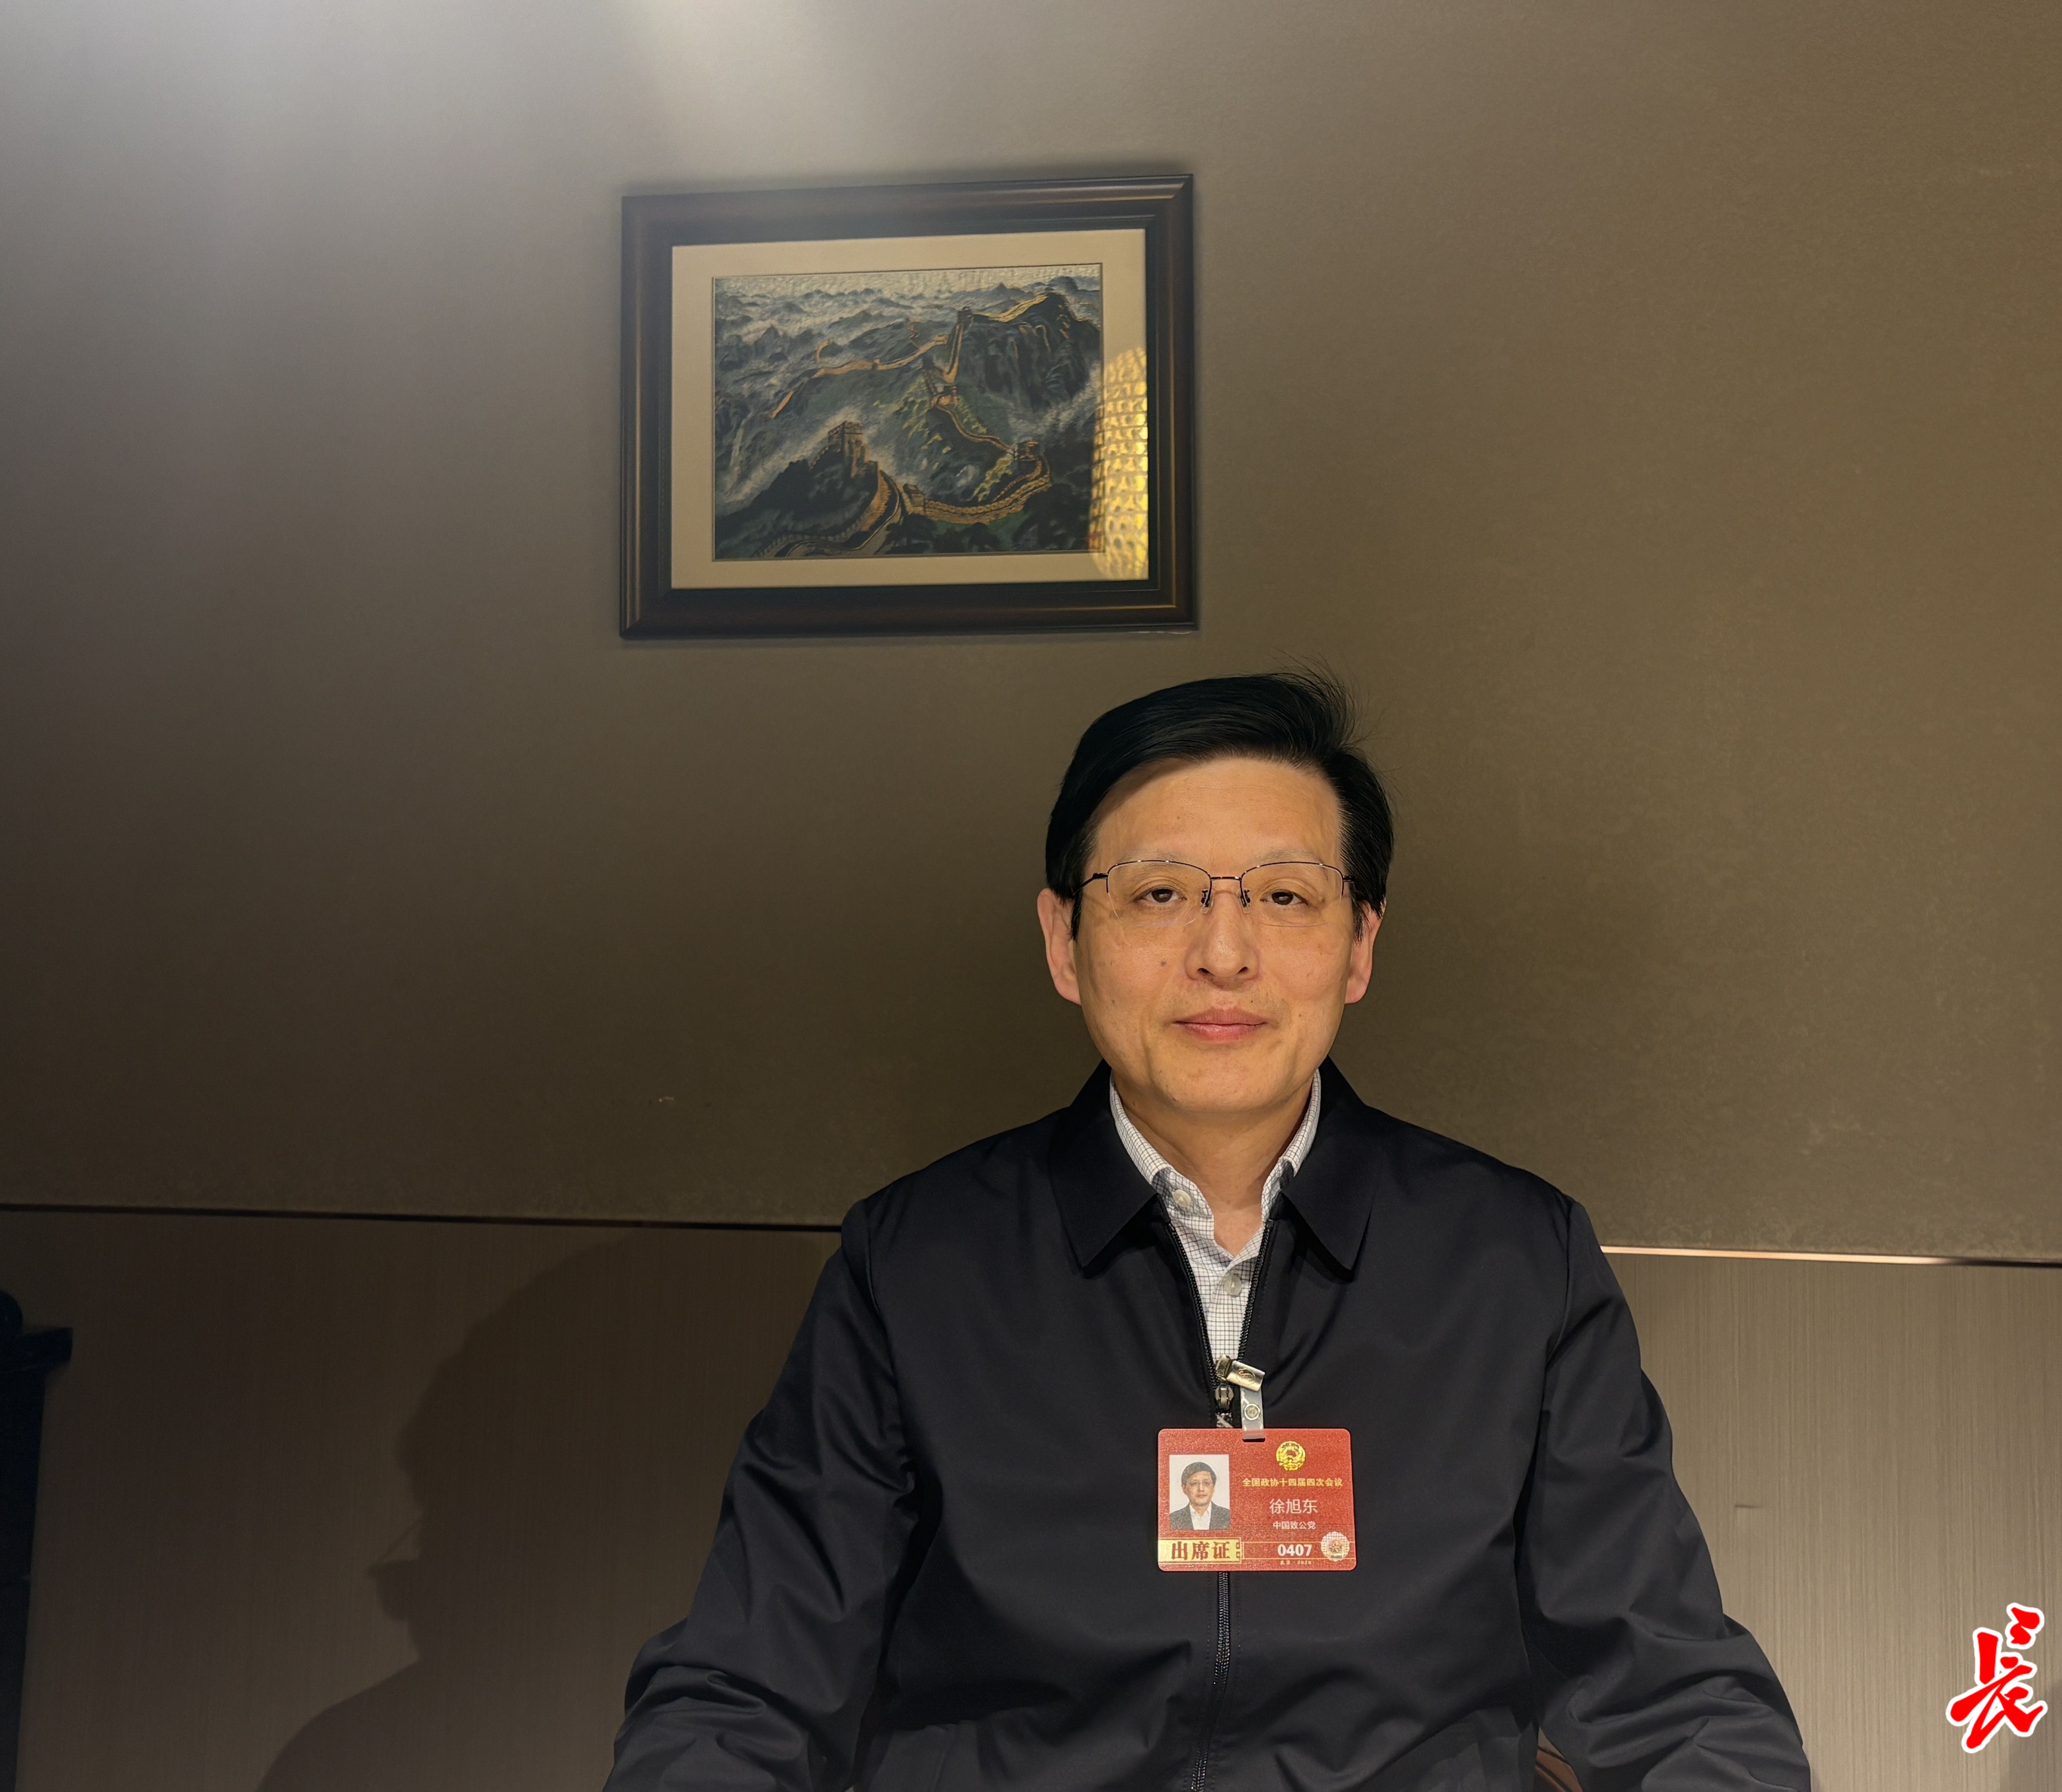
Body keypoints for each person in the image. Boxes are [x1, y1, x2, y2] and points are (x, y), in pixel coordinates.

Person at [607, 672, 1810, 1792]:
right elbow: (741, 1692)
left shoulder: (1514, 1263)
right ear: (1063, 941)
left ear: (1360, 945)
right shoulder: (916, 1265)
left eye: (1284, 897)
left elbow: (1679, 1696)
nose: (1223, 954)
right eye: (1160, 894)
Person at [1168, 1459, 1230, 1532]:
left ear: (1213, 1487)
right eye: (1194, 1484)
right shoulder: (1172, 1520)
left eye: (1206, 1483)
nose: (1201, 1489)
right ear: (1184, 1488)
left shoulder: (1229, 1517)